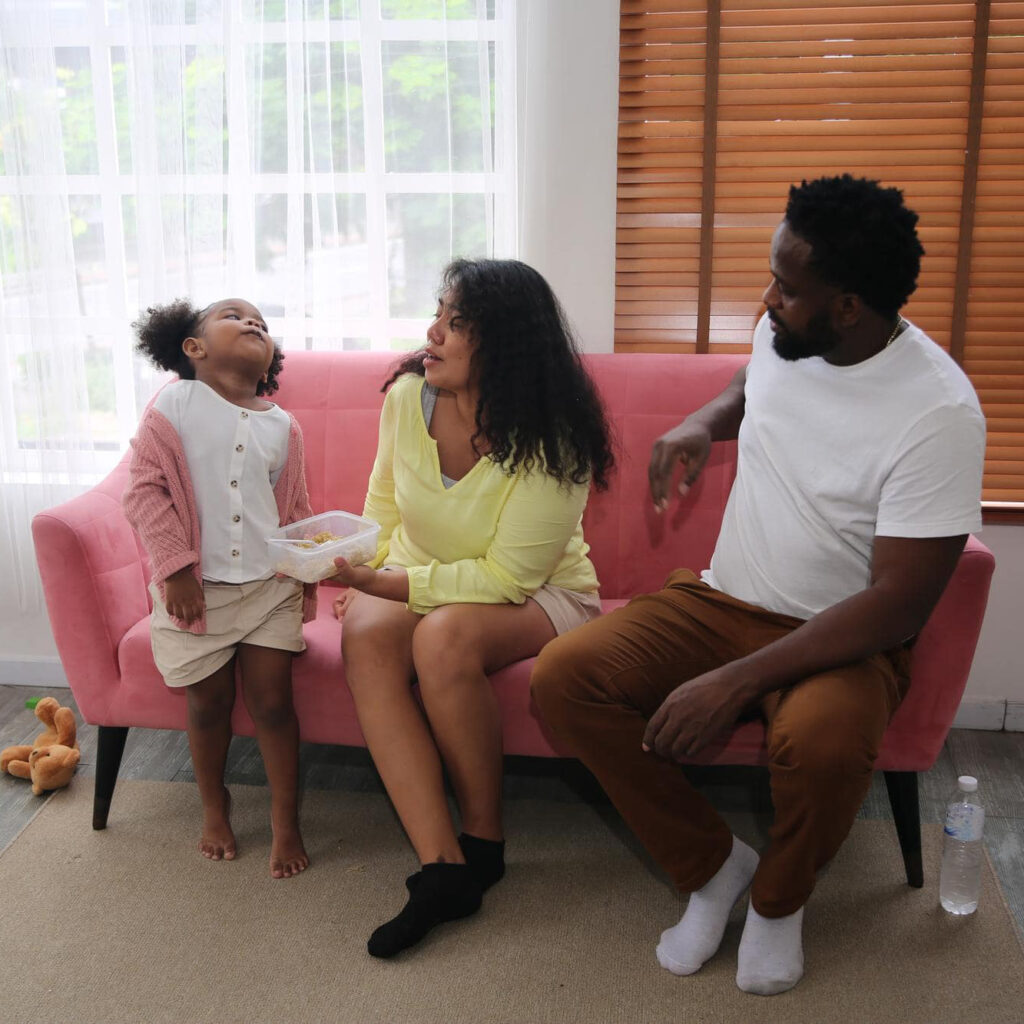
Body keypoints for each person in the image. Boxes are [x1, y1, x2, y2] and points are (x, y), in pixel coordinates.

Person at [530, 175, 986, 995]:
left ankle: (779, 902)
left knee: (818, 743)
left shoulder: (940, 412)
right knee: (566, 680)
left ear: (849, 306)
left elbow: (899, 604)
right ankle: (713, 868)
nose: (767, 298)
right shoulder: (788, 334)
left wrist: (732, 682)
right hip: (722, 601)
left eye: (788, 285)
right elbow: (754, 388)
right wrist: (703, 423)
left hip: (843, 637)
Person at [330, 257, 615, 958]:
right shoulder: (406, 395)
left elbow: (509, 577)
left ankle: (484, 842)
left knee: (445, 638)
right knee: (364, 631)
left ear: (506, 344)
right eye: (439, 314)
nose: (432, 333)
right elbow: (386, 500)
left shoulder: (555, 433)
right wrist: (366, 572)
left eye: (456, 324)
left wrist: (397, 587)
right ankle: (443, 866)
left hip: (546, 593)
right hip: (425, 572)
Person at [124, 297, 317, 879]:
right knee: (208, 706)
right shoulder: (174, 406)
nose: (254, 322)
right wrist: (176, 569)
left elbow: (293, 508)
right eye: (235, 316)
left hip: (267, 587)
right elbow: (144, 491)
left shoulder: (284, 425)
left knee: (274, 705)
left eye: (262, 322)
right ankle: (215, 805)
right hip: (195, 591)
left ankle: (287, 817)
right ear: (194, 348)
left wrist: (308, 568)